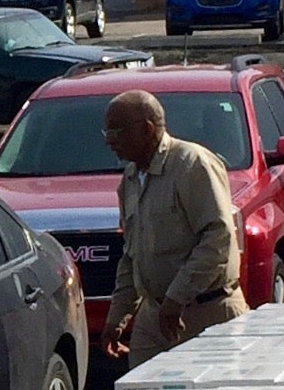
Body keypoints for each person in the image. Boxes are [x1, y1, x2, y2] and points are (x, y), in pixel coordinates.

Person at [99, 88, 246, 368]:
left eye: (116, 130)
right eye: (106, 131)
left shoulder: (192, 165)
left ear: (146, 129)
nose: (109, 141)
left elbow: (218, 238)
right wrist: (117, 317)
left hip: (208, 311)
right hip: (154, 316)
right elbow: (132, 255)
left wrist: (176, 298)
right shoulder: (130, 179)